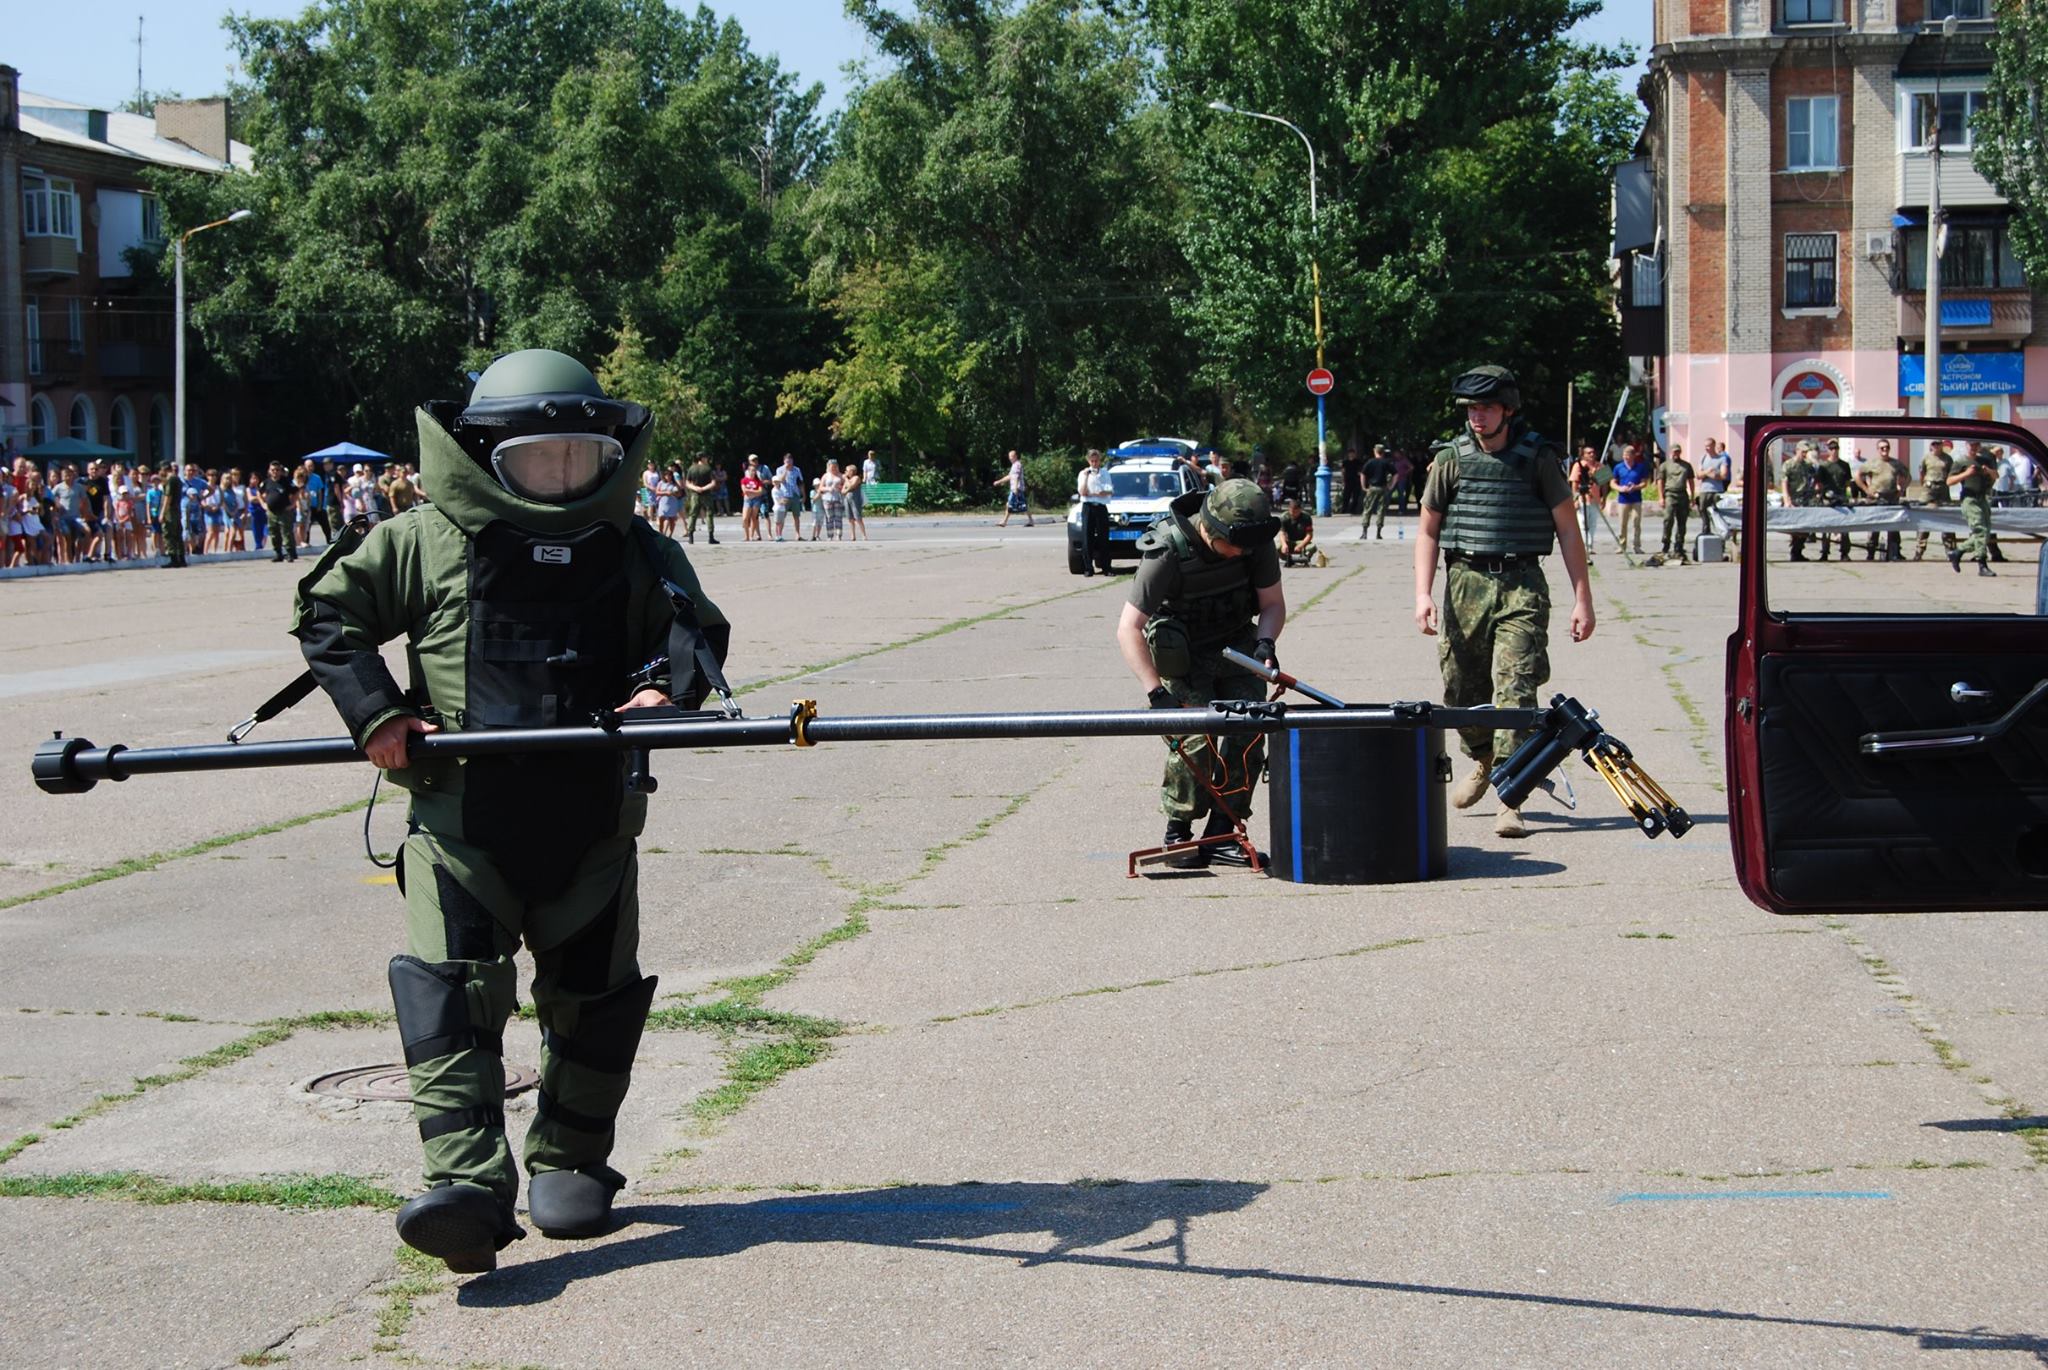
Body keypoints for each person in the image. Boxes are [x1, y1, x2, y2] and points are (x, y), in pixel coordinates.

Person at [293, 349, 729, 1272]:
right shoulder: (421, 539)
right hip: (459, 831)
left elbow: (694, 630)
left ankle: (573, 1162)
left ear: (610, 455)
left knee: (597, 1006)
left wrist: (666, 692)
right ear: (488, 452)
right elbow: (332, 615)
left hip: (596, 831)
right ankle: (467, 1189)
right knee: (452, 1001)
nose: (562, 475)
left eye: (579, 457)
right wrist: (378, 712)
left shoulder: (639, 548)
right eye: (540, 459)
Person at [1412, 365, 1594, 840]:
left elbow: (1569, 531)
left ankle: (1511, 797)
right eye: (1472, 408)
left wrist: (1583, 600)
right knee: (1460, 690)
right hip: (1464, 583)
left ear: (1507, 410)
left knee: (1514, 688)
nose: (1477, 416)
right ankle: (1483, 758)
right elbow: (1428, 529)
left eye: (1487, 408)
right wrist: (1422, 594)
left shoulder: (1538, 460)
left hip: (1521, 584)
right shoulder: (1450, 459)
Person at [1115, 479, 1285, 869]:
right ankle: (1179, 832)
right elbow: (1128, 627)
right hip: (1183, 653)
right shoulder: (1167, 551)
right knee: (1194, 742)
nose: (1243, 552)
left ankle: (1224, 830)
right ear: (1211, 528)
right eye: (1236, 545)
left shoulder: (1253, 542)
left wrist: (1266, 644)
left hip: (1237, 646)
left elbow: (1273, 603)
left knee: (1249, 734)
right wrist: (1156, 693)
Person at [1946, 442, 2000, 576]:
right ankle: (1982, 565)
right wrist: (1966, 474)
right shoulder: (1961, 462)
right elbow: (1949, 481)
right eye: (1971, 445)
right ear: (1966, 445)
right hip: (1969, 499)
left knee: (1985, 533)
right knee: (1980, 530)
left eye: (1976, 445)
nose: (1973, 447)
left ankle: (1958, 552)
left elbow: (1996, 476)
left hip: (1982, 498)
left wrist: (1989, 471)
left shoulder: (1984, 460)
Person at [1859, 440, 1906, 563]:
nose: (1885, 450)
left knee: (1894, 526)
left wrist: (1901, 490)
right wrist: (1866, 490)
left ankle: (1895, 552)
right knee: (1875, 526)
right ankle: (1871, 553)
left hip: (1891, 497)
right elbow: (1858, 476)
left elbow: (1908, 476)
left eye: (1887, 447)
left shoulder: (1895, 463)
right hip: (1876, 498)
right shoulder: (1872, 463)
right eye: (1882, 448)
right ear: (1878, 450)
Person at [1916, 438, 1958, 562]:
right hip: (1929, 490)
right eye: (1933, 444)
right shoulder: (1926, 458)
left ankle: (1950, 550)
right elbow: (1921, 473)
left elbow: (1952, 473)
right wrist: (1923, 484)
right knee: (1925, 520)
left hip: (1943, 489)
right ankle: (1919, 550)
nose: (1935, 446)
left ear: (1941, 445)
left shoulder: (1948, 459)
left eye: (1938, 444)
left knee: (1946, 519)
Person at [1781, 440, 1821, 562]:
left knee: (1804, 528)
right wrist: (1787, 499)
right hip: (1793, 498)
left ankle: (1798, 551)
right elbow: (1784, 482)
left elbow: (1816, 477)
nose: (1804, 454)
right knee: (1795, 529)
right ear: (1797, 450)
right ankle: (1795, 551)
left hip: (1805, 499)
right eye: (1803, 452)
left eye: (1806, 452)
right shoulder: (1788, 464)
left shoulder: (1807, 465)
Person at [1076, 448, 1112, 576]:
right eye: (1092, 461)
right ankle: (1088, 568)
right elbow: (1082, 492)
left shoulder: (1105, 473)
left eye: (1096, 461)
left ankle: (1106, 567)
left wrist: (1102, 492)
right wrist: (1086, 477)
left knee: (1103, 537)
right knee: (1087, 537)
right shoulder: (1083, 473)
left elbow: (1109, 490)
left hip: (1101, 506)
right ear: (1088, 461)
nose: (1094, 463)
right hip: (1088, 507)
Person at [1657, 442, 1695, 564]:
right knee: (1668, 519)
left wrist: (1692, 496)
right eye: (1674, 451)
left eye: (1678, 451)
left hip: (1682, 494)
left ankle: (1679, 545)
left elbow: (1691, 481)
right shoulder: (1665, 466)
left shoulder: (1686, 466)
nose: (1676, 454)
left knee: (1682, 521)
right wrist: (1660, 497)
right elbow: (1660, 481)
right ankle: (1665, 544)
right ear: (1670, 452)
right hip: (1670, 494)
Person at [1817, 440, 1854, 562]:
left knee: (1844, 527)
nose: (1834, 451)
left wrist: (1849, 496)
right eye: (1832, 448)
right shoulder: (1823, 466)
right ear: (1828, 450)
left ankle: (1844, 552)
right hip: (1828, 498)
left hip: (1841, 497)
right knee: (1825, 527)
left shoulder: (1844, 465)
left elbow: (1848, 482)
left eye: (1836, 448)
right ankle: (1824, 552)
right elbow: (1819, 483)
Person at [1611, 444, 1650, 556]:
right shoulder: (1618, 467)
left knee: (1636, 522)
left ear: (1633, 456)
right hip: (1623, 499)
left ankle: (1636, 546)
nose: (1625, 457)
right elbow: (1613, 482)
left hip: (1636, 498)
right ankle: (1621, 546)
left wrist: (1636, 487)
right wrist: (1620, 488)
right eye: (1624, 455)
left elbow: (1644, 482)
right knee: (1622, 523)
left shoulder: (1640, 467)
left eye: (1628, 455)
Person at [261, 461, 299, 563]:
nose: (275, 472)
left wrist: (292, 505)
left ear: (280, 471)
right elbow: (259, 492)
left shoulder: (286, 481)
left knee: (287, 533)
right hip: (272, 512)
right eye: (273, 470)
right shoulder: (266, 482)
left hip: (284, 512)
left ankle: (290, 553)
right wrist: (263, 504)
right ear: (269, 471)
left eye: (277, 470)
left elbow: (296, 492)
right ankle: (278, 554)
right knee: (274, 533)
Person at [1570, 443, 1604, 555]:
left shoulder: (1600, 466)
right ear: (1583, 455)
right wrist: (1574, 499)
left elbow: (1605, 484)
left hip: (1595, 498)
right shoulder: (1578, 465)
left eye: (1593, 452)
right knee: (1583, 523)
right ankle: (1585, 546)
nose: (1592, 455)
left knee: (1593, 523)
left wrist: (1604, 498)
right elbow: (1574, 483)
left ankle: (1590, 545)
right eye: (1589, 453)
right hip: (1582, 498)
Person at [1695, 438, 1730, 533]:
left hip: (1716, 490)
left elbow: (1723, 475)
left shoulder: (1721, 459)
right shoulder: (1703, 458)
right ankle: (1706, 531)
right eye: (1705, 446)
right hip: (1704, 490)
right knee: (1702, 509)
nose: (1707, 448)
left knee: (1717, 512)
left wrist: (1711, 475)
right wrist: (1707, 472)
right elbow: (1698, 475)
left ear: (1713, 446)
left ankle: (1720, 533)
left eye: (1709, 446)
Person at [1360, 444, 1394, 539]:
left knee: (1367, 509)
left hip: (1372, 488)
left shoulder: (1370, 462)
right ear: (1383, 452)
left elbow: (1363, 474)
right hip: (1382, 488)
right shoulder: (1386, 462)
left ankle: (1364, 532)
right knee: (1381, 510)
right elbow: (1395, 474)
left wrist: (1363, 486)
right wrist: (1391, 486)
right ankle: (1378, 533)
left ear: (1375, 451)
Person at [683, 454, 718, 545]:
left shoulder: (692, 468)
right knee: (709, 514)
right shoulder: (708, 469)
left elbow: (687, 483)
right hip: (706, 494)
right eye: (706, 457)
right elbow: (713, 482)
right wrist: (704, 488)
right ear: (702, 458)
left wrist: (696, 488)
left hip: (695, 494)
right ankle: (711, 536)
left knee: (693, 514)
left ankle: (691, 536)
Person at [993, 450, 1033, 527]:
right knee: (1023, 505)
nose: (1010, 458)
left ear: (1015, 456)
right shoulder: (1014, 465)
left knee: (1009, 504)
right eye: (1009, 456)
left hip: (1016, 489)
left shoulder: (1017, 465)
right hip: (1017, 488)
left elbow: (1016, 477)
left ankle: (1004, 522)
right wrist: (999, 481)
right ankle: (1031, 521)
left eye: (1012, 456)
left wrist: (1015, 488)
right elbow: (1010, 476)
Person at [1278, 497, 1321, 567]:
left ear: (1300, 510)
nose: (1293, 514)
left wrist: (1301, 545)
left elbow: (1309, 534)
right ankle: (1288, 559)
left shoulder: (1306, 517)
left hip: (1302, 541)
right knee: (1277, 548)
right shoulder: (1284, 517)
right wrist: (1284, 544)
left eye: (1295, 512)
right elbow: (1282, 533)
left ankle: (1305, 559)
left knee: (1312, 547)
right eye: (1291, 511)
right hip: (1290, 541)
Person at [772, 455, 804, 540]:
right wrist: (785, 470)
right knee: (782, 516)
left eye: (790, 461)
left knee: (796, 516)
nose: (789, 463)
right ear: (784, 461)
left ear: (792, 461)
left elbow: (801, 482)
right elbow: (780, 481)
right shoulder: (779, 469)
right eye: (787, 461)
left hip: (795, 494)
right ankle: (779, 535)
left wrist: (803, 495)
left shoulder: (797, 469)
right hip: (784, 495)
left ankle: (797, 534)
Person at [739, 458, 765, 542]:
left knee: (754, 518)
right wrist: (754, 492)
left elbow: (760, 491)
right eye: (751, 470)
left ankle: (751, 535)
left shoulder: (758, 481)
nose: (753, 472)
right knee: (745, 518)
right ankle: (746, 536)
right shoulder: (744, 480)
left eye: (754, 471)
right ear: (748, 471)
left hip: (756, 500)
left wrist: (751, 492)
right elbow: (744, 490)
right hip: (747, 500)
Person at [653, 465, 682, 539]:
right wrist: (665, 493)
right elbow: (657, 492)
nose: (668, 477)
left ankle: (669, 535)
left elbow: (679, 494)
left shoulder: (675, 484)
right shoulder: (661, 483)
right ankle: (661, 533)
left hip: (672, 503)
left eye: (669, 475)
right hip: (663, 503)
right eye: (666, 475)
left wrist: (674, 493)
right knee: (661, 518)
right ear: (664, 476)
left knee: (671, 519)